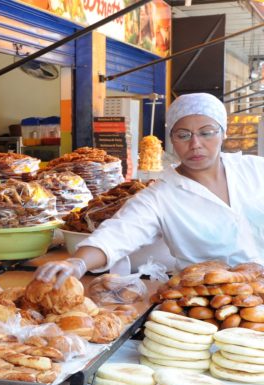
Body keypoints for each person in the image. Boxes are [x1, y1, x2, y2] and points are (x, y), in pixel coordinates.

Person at [36, 93, 264, 287]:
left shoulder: (255, 170)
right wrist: (78, 262)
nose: (195, 144)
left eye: (206, 132)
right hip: (207, 301)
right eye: (183, 135)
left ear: (224, 133)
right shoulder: (161, 197)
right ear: (171, 140)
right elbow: (117, 234)